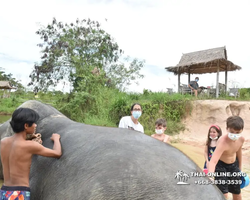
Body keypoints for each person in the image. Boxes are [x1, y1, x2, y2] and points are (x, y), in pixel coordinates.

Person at [0, 108, 62, 199]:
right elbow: (57, 153)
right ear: (26, 125)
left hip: (4, 191)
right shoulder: (31, 146)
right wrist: (56, 139)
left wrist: (30, 137)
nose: (35, 125)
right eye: (33, 123)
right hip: (19, 193)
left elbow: (17, 145)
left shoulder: (3, 142)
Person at [208, 116, 245, 200]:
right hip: (221, 167)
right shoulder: (222, 142)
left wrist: (239, 169)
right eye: (232, 132)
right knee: (224, 194)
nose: (235, 135)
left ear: (242, 130)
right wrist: (210, 176)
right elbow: (213, 161)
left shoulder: (241, 139)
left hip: (233, 166)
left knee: (237, 194)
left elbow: (239, 153)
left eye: (237, 132)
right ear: (227, 129)